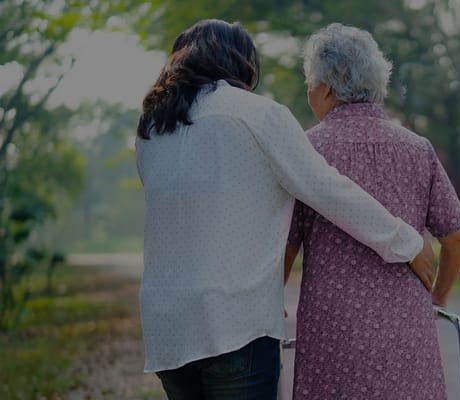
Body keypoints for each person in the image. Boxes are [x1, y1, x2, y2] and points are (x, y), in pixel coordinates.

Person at [135, 19, 435, 399]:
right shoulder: (257, 114)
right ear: (240, 62)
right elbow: (327, 189)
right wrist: (406, 242)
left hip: (166, 325)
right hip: (233, 322)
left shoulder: (152, 127)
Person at [284, 23, 460, 399]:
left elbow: (284, 245)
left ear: (326, 88)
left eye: (310, 83)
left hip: (331, 337)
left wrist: (271, 303)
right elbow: (458, 238)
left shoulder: (303, 153)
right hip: (407, 334)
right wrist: (438, 298)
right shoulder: (417, 149)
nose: (309, 92)